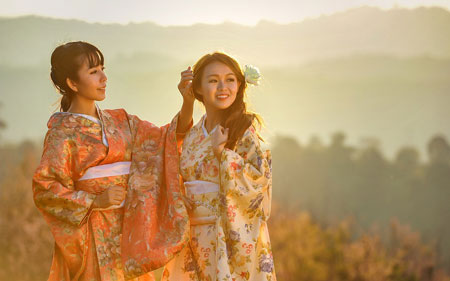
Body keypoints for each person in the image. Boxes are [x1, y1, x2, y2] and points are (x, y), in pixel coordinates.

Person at [32, 41, 193, 281]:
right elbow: (45, 189)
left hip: (128, 230)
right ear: (72, 83)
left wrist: (188, 100)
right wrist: (95, 200)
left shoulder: (121, 121)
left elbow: (165, 139)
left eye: (103, 69)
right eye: (94, 72)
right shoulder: (62, 133)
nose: (104, 78)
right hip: (91, 235)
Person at [162, 52, 276, 280]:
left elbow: (257, 185)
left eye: (230, 79)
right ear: (199, 88)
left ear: (239, 84)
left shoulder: (243, 130)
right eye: (213, 80)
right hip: (192, 237)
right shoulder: (194, 134)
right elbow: (169, 155)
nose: (223, 87)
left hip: (228, 237)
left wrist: (222, 154)